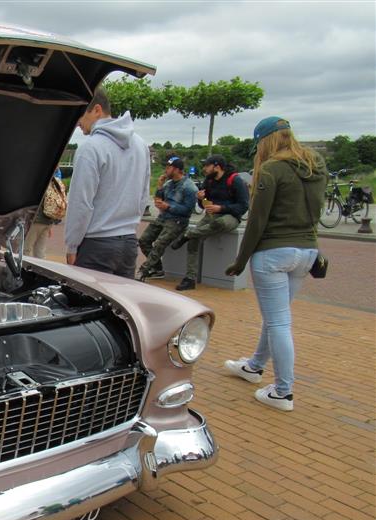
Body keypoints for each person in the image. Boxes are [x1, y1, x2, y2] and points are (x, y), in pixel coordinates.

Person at [223, 116, 328, 412]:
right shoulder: (316, 164)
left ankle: (283, 392)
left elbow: (257, 221)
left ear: (265, 141)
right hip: (306, 252)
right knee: (276, 318)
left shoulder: (271, 169)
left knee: (279, 322)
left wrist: (240, 261)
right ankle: (254, 366)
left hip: (273, 253)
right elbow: (316, 210)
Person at [64, 88, 150, 278]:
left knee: (86, 298)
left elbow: (81, 203)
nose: (77, 122)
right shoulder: (140, 145)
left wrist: (72, 245)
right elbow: (143, 196)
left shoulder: (90, 148)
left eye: (80, 114)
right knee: (120, 298)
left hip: (96, 245)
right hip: (128, 244)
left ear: (97, 110)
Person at [170, 154, 250, 290]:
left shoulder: (236, 180)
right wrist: (201, 199)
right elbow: (203, 206)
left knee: (219, 223)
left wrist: (221, 208)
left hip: (230, 217)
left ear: (217, 167)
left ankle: (187, 234)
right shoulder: (209, 180)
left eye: (207, 166)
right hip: (211, 215)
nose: (204, 169)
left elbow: (243, 206)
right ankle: (190, 279)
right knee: (194, 241)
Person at [137, 157, 197, 280]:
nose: (166, 170)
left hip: (177, 221)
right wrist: (159, 187)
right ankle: (158, 269)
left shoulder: (189, 187)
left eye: (169, 167)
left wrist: (169, 207)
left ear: (177, 169)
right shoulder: (168, 184)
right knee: (144, 240)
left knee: (160, 243)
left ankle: (143, 270)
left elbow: (188, 210)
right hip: (163, 217)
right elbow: (160, 198)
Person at [25, 168, 67, 258]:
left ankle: (23, 267)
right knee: (40, 251)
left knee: (26, 249)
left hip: (36, 220)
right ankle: (39, 267)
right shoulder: (54, 182)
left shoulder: (38, 181)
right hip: (48, 221)